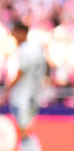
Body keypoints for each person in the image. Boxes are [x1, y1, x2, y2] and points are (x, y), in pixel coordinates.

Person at [6, 19, 47, 151]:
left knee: (23, 131)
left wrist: (7, 89)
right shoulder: (37, 50)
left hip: (23, 97)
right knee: (25, 129)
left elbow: (20, 73)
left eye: (15, 33)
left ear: (21, 32)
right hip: (34, 95)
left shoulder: (24, 50)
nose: (14, 37)